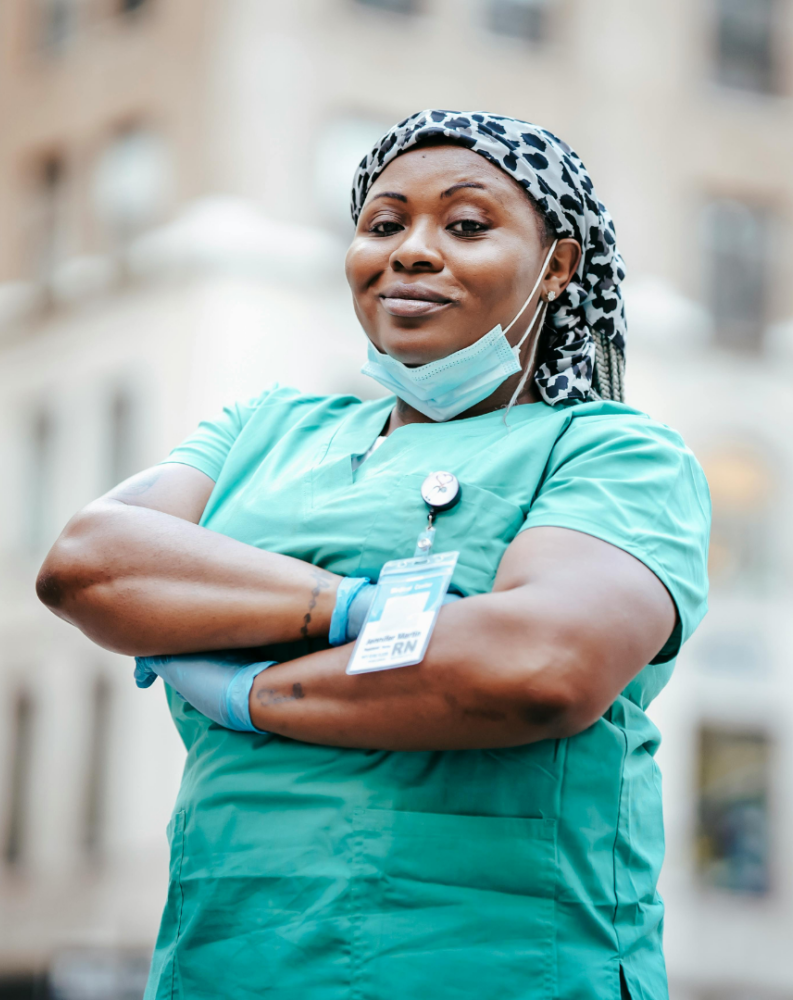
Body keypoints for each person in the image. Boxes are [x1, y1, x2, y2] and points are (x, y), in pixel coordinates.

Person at [37, 110, 711, 1000]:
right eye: (384, 224)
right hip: (231, 965)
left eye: (467, 226)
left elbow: (540, 664)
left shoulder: (614, 454)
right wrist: (364, 614)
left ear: (557, 266)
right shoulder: (264, 429)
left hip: (494, 965)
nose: (413, 251)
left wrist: (247, 693)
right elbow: (91, 563)